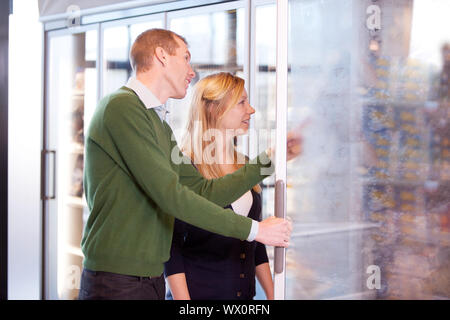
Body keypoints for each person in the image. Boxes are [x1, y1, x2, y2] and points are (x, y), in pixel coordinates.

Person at [78, 29, 297, 300]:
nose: (192, 71)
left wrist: (272, 159)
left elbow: (202, 191)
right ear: (161, 56)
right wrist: (255, 230)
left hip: (148, 280)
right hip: (117, 282)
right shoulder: (122, 108)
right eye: (186, 58)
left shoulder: (158, 123)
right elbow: (171, 196)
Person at [165, 72, 275, 300]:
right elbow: (171, 249)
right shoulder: (185, 168)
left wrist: (274, 295)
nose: (251, 110)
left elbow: (257, 240)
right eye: (242, 102)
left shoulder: (246, 166)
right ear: (214, 109)